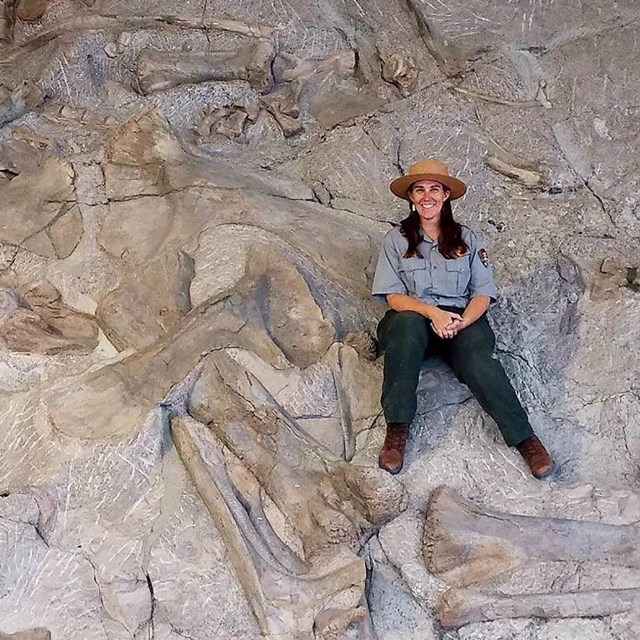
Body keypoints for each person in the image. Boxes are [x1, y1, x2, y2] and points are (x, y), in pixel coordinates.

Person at [371, 158, 554, 479]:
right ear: (411, 197)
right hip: (414, 319)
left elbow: (482, 293)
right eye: (419, 189)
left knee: (479, 360)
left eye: (434, 189)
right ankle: (397, 431)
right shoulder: (396, 240)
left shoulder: (469, 240)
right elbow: (393, 297)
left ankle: (526, 439)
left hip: (461, 321)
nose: (427, 196)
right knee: (404, 326)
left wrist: (461, 323)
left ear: (445, 195)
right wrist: (433, 313)